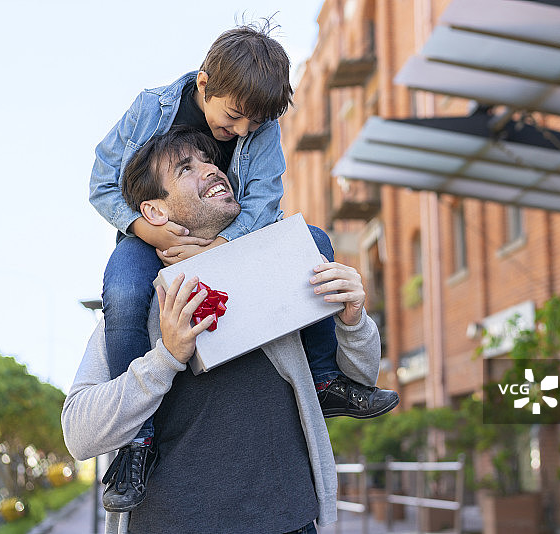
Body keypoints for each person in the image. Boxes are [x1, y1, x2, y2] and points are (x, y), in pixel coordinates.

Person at [88, 21, 398, 511]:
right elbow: (101, 182)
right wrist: (149, 230)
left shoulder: (261, 128)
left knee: (313, 241)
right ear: (205, 83)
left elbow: (264, 201)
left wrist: (222, 247)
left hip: (233, 236)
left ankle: (325, 380)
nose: (240, 132)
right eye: (233, 117)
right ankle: (136, 443)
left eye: (252, 125)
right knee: (124, 291)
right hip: (151, 234)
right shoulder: (154, 106)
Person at [63, 126, 387, 533]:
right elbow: (79, 434)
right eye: (185, 169)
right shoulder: (135, 307)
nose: (212, 171)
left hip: (290, 524)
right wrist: (165, 358)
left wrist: (354, 319)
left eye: (210, 161)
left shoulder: (280, 277)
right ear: (155, 213)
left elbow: (360, 378)